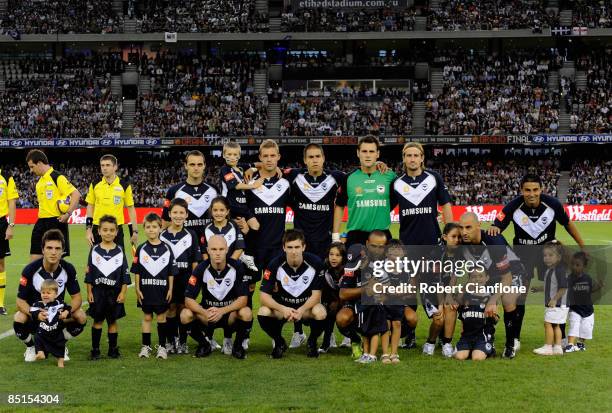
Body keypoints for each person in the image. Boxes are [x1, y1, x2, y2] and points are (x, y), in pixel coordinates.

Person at [489, 173, 586, 349]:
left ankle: (560, 339)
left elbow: (568, 224)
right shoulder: (512, 206)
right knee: (520, 296)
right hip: (523, 256)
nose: (531, 194)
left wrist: (583, 246)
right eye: (527, 190)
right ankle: (515, 339)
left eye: (535, 189)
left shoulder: (553, 204)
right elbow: (497, 225)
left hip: (549, 256)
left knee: (554, 295)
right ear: (521, 190)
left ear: (541, 189)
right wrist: (495, 227)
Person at [245, 140, 292, 349]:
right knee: (247, 289)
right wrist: (252, 168)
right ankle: (243, 335)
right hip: (253, 247)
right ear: (260, 158)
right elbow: (236, 203)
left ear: (279, 157)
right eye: (265, 156)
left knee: (275, 291)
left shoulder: (287, 181)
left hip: (275, 248)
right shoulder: (249, 180)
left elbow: (303, 170)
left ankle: (276, 337)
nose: (269, 159)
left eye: (273, 156)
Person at [459, 212, 525, 359]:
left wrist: (493, 299)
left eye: (468, 227)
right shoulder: (462, 242)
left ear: (478, 226)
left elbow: (506, 278)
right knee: (473, 297)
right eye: (461, 228)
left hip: (511, 273)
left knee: (507, 299)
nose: (464, 232)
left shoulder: (494, 242)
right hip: (489, 275)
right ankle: (486, 338)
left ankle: (510, 345)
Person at [14, 229, 87, 362]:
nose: (53, 252)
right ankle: (31, 347)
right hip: (36, 316)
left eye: (57, 248)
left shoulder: (68, 269)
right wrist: (34, 313)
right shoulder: (30, 270)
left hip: (57, 316)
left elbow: (77, 298)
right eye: (49, 248)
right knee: (19, 317)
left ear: (62, 251)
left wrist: (67, 311)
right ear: (43, 250)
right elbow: (20, 301)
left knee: (81, 316)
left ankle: (60, 343)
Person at [257, 229, 326, 359]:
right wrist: (283, 309)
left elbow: (316, 296)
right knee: (263, 311)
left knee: (320, 311)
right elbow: (263, 297)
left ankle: (312, 342)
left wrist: (301, 310)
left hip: (305, 309)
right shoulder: (274, 264)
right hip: (283, 309)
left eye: (297, 247)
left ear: (303, 247)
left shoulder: (316, 263)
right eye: (289, 247)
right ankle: (279, 342)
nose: (293, 251)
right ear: (283, 248)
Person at [182, 235, 252, 359]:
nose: (217, 253)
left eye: (221, 249)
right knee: (185, 315)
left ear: (227, 249)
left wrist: (222, 311)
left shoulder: (237, 267)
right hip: (207, 315)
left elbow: (243, 299)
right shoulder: (200, 268)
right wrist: (204, 312)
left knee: (246, 312)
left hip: (228, 314)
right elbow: (188, 299)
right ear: (208, 250)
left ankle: (237, 347)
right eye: (214, 249)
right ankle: (204, 345)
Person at [333, 136, 395, 247]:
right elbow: (339, 205)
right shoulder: (349, 178)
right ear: (358, 153)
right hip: (356, 237)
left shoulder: (390, 176)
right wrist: (335, 236)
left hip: (382, 236)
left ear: (378, 154)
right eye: (364, 151)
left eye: (371, 151)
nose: (367, 155)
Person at [85, 215, 131, 360]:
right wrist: (89, 291)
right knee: (97, 321)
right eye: (105, 230)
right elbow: (89, 273)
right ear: (99, 231)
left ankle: (113, 349)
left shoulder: (120, 250)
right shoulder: (94, 250)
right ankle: (95, 349)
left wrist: (123, 292)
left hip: (114, 292)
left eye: (112, 230)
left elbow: (125, 274)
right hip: (98, 292)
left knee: (112, 321)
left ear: (117, 232)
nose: (108, 233)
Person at [132, 213, 177, 360]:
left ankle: (162, 347)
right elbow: (137, 271)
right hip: (146, 290)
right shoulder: (141, 249)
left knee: (161, 317)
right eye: (148, 227)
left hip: (162, 290)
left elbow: (171, 272)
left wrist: (170, 289)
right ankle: (146, 346)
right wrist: (137, 289)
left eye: (155, 227)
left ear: (160, 228)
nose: (151, 230)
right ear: (144, 228)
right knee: (146, 317)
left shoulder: (167, 248)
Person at [160, 198, 202, 355]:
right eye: (175, 212)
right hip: (169, 280)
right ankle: (171, 341)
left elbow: (195, 261)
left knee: (184, 309)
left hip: (186, 279)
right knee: (170, 309)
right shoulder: (163, 235)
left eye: (181, 213)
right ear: (169, 214)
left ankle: (183, 342)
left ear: (187, 215)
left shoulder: (191, 234)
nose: (178, 216)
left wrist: (194, 282)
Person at [391, 142, 453, 246]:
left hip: (433, 240)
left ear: (422, 158)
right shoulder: (396, 183)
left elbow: (446, 205)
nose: (412, 159)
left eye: (416, 155)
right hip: (407, 242)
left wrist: (450, 234)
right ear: (404, 158)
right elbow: (386, 208)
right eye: (409, 155)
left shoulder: (434, 178)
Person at [26, 149, 81, 260]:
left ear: (40, 163)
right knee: (34, 261)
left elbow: (76, 194)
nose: (31, 170)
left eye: (32, 167)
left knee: (55, 262)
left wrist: (68, 214)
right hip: (41, 222)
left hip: (56, 222)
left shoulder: (57, 177)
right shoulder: (39, 183)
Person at [162, 150, 218, 253]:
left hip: (210, 246)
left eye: (199, 164)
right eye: (192, 164)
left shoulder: (214, 190)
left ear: (204, 166)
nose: (196, 168)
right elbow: (165, 222)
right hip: (183, 247)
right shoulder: (173, 191)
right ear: (186, 166)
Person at [85, 154, 139, 252]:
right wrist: (88, 229)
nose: (104, 168)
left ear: (115, 167)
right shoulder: (95, 184)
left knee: (119, 263)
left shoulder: (124, 186)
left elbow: (131, 209)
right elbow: (90, 206)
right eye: (102, 165)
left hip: (116, 229)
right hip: (98, 229)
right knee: (95, 264)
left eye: (108, 165)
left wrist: (134, 232)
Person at [454, 270, 497, 361]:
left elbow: (494, 321)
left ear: (487, 278)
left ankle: (488, 346)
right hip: (467, 336)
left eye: (481, 276)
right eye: (474, 276)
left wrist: (492, 316)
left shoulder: (491, 297)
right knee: (459, 357)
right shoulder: (465, 296)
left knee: (477, 358)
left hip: (482, 336)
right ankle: (470, 349)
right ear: (469, 279)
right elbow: (462, 318)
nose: (477, 279)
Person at [533, 243, 568, 356]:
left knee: (547, 324)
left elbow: (563, 287)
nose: (547, 258)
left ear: (559, 257)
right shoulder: (550, 270)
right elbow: (551, 286)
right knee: (556, 325)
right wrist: (539, 289)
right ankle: (558, 347)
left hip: (557, 304)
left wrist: (554, 299)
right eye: (545, 255)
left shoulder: (559, 270)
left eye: (550, 255)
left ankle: (548, 347)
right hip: (558, 304)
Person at [30, 279, 71, 368]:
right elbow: (32, 311)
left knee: (60, 345)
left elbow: (68, 308)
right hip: (43, 331)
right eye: (43, 292)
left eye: (48, 293)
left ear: (56, 294)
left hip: (56, 331)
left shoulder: (59, 303)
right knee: (37, 337)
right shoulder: (37, 304)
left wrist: (66, 312)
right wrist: (38, 314)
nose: (45, 295)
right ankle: (40, 353)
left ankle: (60, 362)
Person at [566, 251, 600, 353]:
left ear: (584, 266)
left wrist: (597, 287)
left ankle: (580, 343)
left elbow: (589, 291)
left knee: (586, 328)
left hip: (588, 309)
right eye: (572, 264)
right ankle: (570, 344)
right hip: (575, 309)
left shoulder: (588, 278)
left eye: (577, 265)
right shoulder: (569, 279)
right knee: (574, 325)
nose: (574, 267)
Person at [318, 242, 346, 353]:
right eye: (331, 254)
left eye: (338, 255)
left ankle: (353, 339)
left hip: (346, 303)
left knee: (344, 321)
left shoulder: (348, 270)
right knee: (328, 316)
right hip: (329, 301)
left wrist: (339, 302)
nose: (333, 258)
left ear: (343, 257)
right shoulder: (324, 267)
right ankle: (326, 343)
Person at [0, 167, 18, 315]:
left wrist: (11, 225)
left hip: (1, 223)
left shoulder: (6, 176)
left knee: (0, 263)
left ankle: (0, 304)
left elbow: (12, 202)